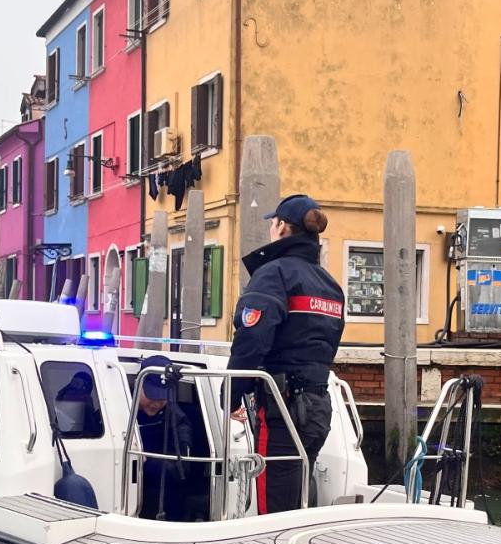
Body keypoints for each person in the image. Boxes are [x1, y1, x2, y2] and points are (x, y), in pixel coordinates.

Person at [226, 194, 345, 513]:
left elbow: (252, 338)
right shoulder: (330, 285)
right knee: (298, 495)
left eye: (272, 223)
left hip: (283, 407)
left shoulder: (274, 274)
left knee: (274, 503)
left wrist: (232, 394)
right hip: (318, 405)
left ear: (281, 228)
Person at [134, 355, 205, 521]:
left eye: (162, 397)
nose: (157, 402)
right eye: (152, 396)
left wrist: (145, 461)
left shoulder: (178, 420)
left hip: (162, 498)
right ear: (138, 385)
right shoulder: (117, 410)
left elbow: (180, 469)